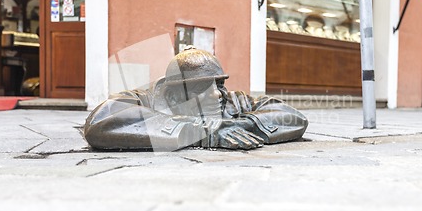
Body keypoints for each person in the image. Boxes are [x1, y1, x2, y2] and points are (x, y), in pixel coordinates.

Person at [84, 47, 308, 151]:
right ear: (174, 94)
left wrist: (241, 124)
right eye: (202, 87)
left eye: (219, 84)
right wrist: (200, 132)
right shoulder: (145, 99)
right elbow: (100, 122)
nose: (217, 94)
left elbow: (292, 116)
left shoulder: (233, 100)